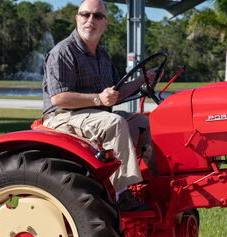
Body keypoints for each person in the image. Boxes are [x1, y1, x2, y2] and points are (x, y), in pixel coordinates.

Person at [41, 0, 156, 211]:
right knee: (114, 122)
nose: (90, 20)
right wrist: (98, 99)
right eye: (85, 15)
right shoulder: (63, 52)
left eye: (97, 16)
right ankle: (121, 195)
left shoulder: (103, 55)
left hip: (94, 114)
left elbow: (115, 92)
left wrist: (143, 80)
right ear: (77, 18)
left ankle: (156, 184)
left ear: (106, 23)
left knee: (145, 121)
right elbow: (58, 98)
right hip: (62, 116)